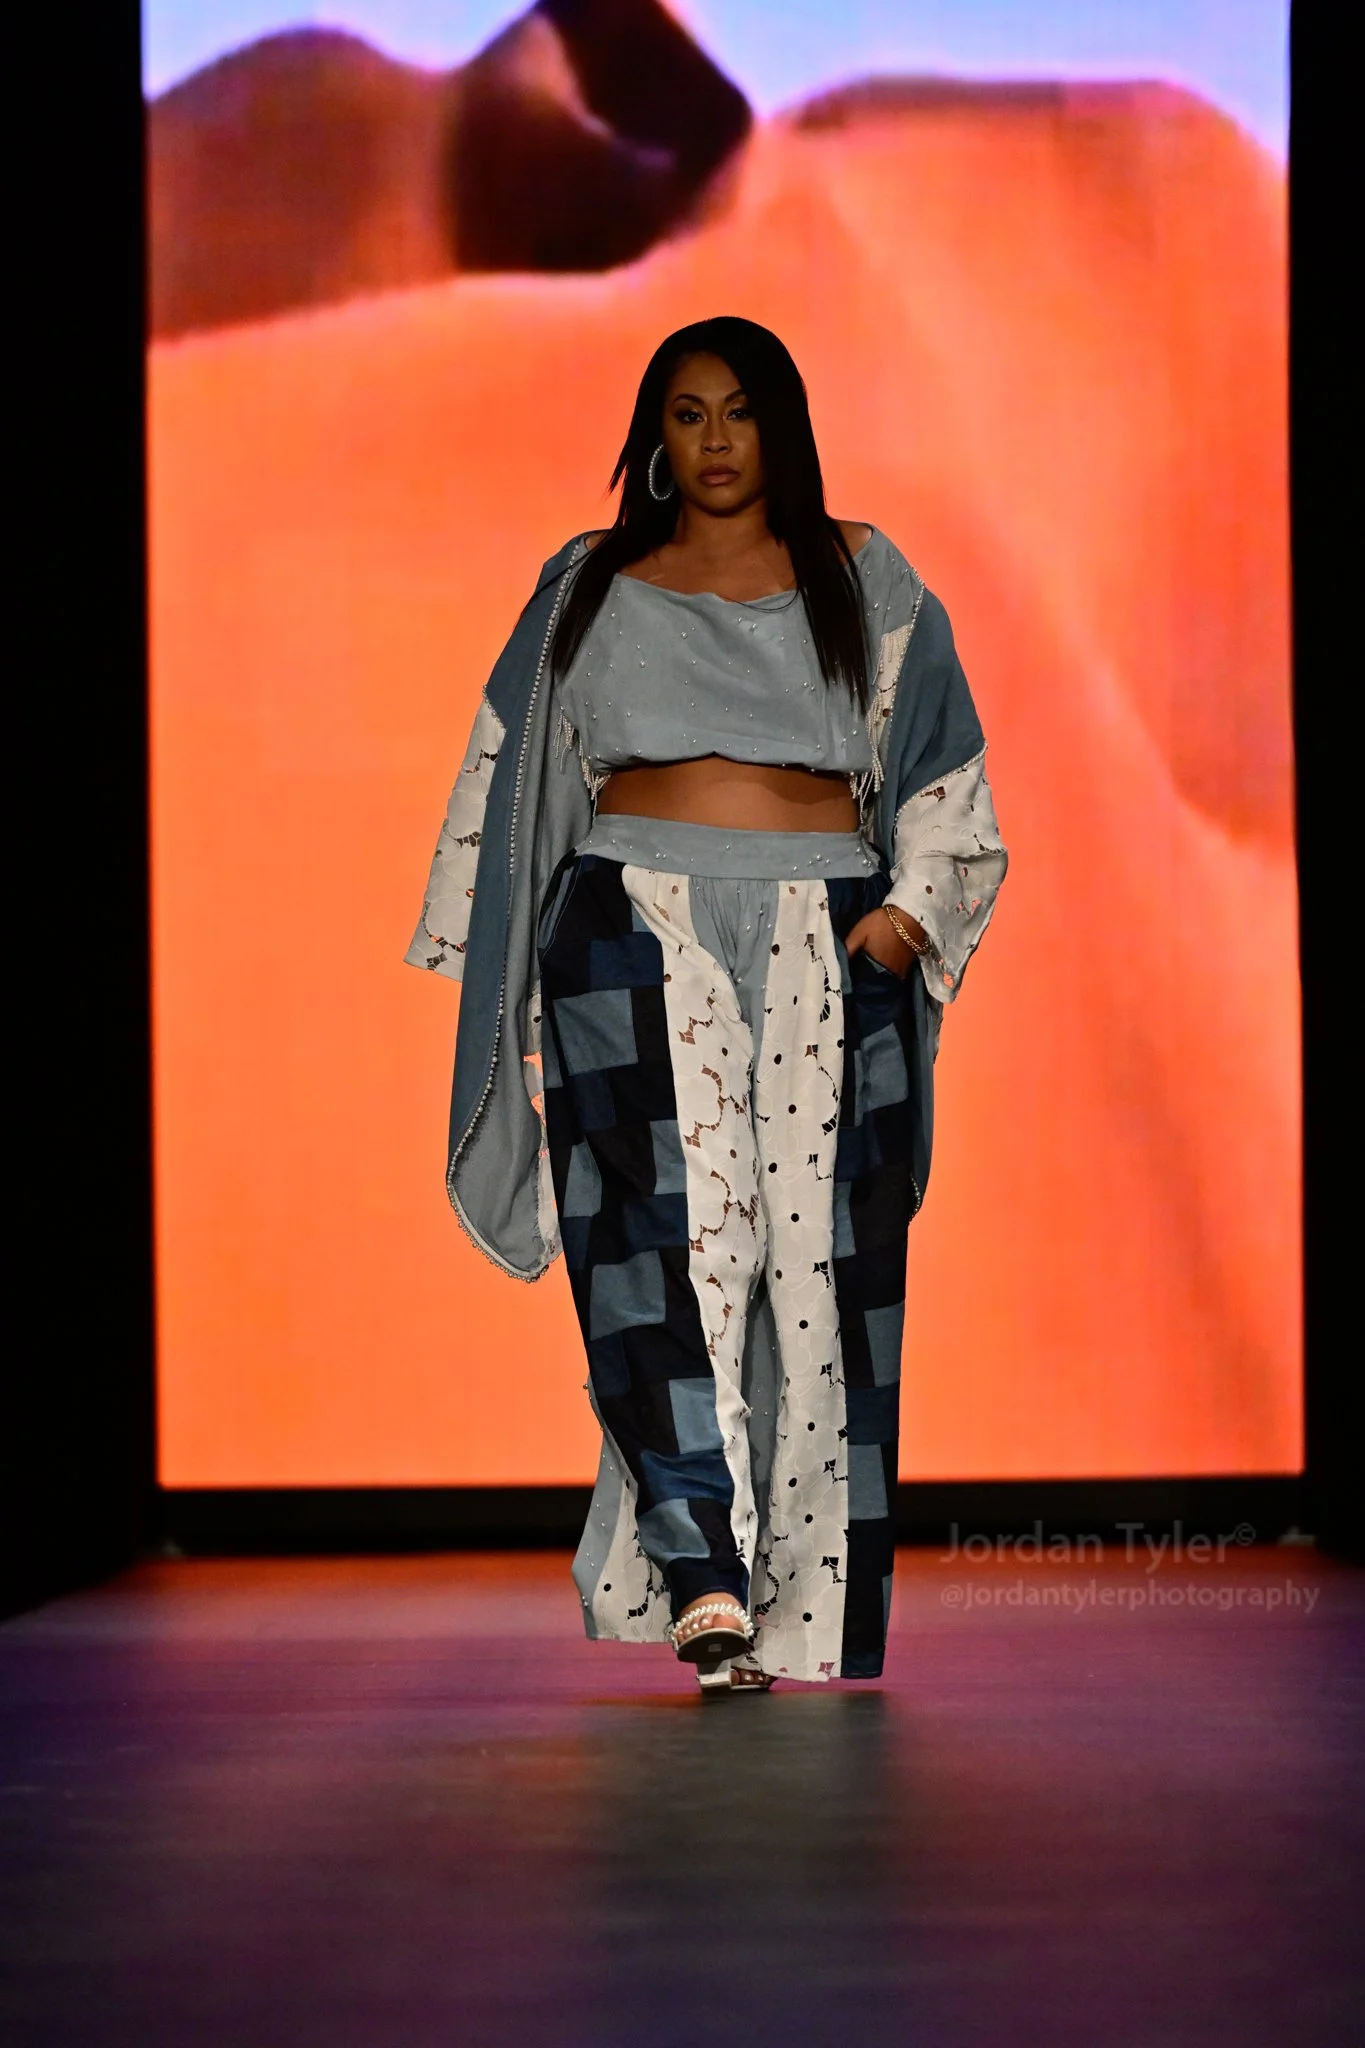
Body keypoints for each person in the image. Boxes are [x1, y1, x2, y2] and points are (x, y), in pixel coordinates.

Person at [406, 316, 1007, 1693]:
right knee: (658, 1247)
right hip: (629, 925)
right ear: (655, 437)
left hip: (821, 934)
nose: (717, 439)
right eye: (687, 414)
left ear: (782, 426)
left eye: (741, 411)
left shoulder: (865, 575)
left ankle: (797, 1601)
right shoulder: (589, 584)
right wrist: (496, 949)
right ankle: (702, 1576)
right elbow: (511, 778)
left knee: (815, 1269)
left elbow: (939, 767)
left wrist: (910, 921)